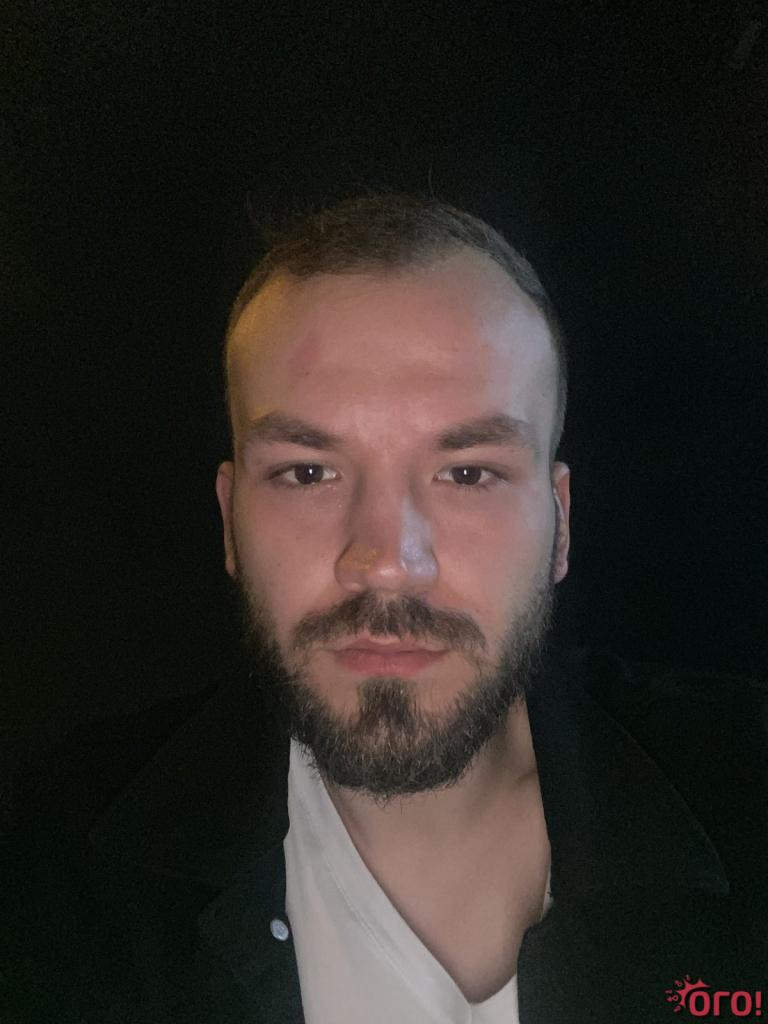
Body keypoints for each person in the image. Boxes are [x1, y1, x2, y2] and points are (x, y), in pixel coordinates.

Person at [3, 192, 767, 1024]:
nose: (388, 563)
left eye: (468, 473)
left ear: (560, 525)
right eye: (307, 473)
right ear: (230, 523)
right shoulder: (54, 864)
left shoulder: (745, 785)